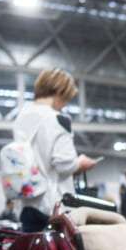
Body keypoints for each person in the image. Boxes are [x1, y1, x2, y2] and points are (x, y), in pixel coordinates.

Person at [11, 68, 98, 233]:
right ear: (60, 91)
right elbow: (64, 165)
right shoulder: (57, 119)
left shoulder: (21, 117)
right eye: (66, 99)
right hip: (52, 207)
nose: (64, 105)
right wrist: (81, 163)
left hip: (26, 205)